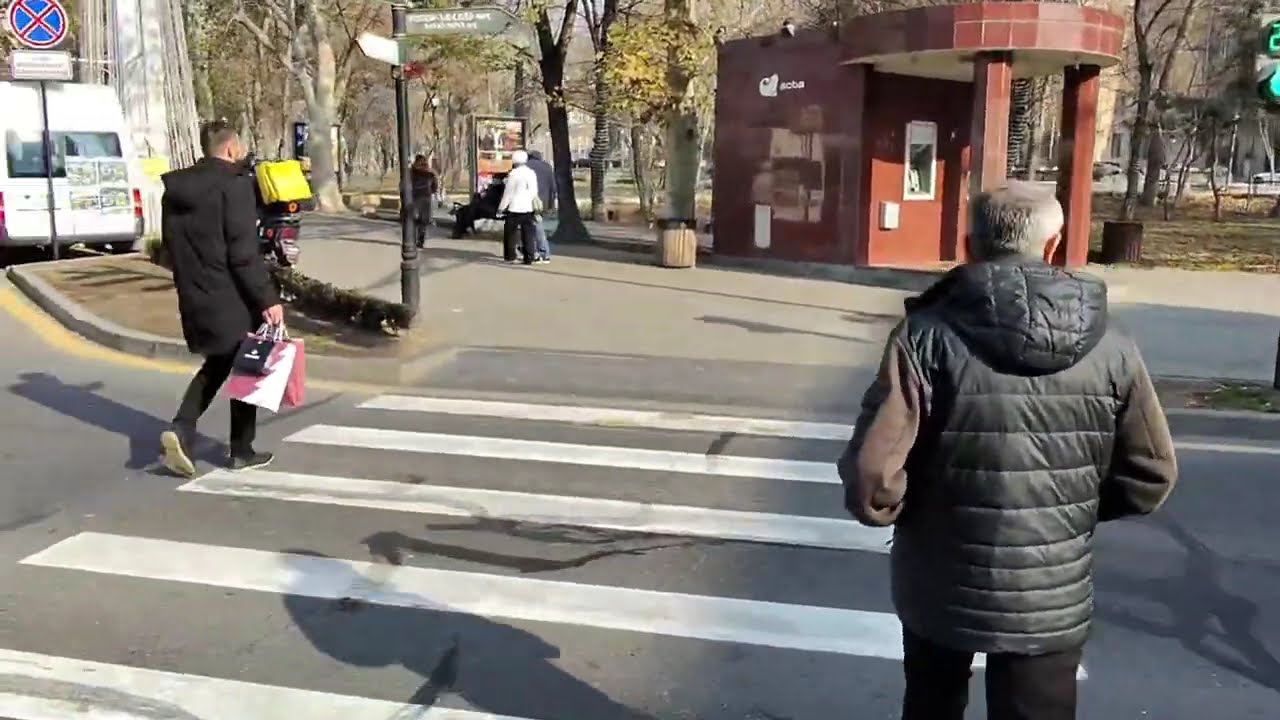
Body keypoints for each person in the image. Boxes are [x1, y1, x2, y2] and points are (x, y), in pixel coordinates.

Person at [838, 181, 1178, 720]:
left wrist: (909, 511)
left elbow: (872, 477)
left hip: (938, 582)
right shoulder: (1113, 343)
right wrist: (1069, 510)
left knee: (932, 705)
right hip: (1049, 595)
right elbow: (1150, 474)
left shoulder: (923, 336)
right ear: (1054, 245)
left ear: (969, 247)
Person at [158, 121, 283, 477]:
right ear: (230, 148)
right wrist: (266, 298)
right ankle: (240, 449)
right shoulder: (234, 187)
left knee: (218, 363)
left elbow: (168, 250)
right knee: (249, 362)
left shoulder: (175, 191)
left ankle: (182, 429)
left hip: (195, 293)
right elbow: (243, 254)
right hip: (232, 295)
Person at [497, 150, 539, 265]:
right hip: (528, 207)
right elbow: (534, 191)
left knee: (510, 233)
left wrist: (501, 207)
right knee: (528, 234)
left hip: (514, 207)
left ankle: (510, 256)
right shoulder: (531, 173)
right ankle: (529, 256)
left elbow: (508, 193)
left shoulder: (514, 174)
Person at [526, 149, 557, 263]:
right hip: (543, 201)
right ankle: (533, 250)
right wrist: (552, 203)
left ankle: (544, 252)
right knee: (535, 224)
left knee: (536, 225)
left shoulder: (526, 166)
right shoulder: (547, 167)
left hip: (531, 201)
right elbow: (553, 187)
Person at [410, 154, 439, 248]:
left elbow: (435, 184)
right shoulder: (429, 173)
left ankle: (416, 239)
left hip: (417, 197)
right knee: (422, 220)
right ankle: (419, 240)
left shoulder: (412, 172)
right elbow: (435, 185)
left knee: (417, 220)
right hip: (424, 197)